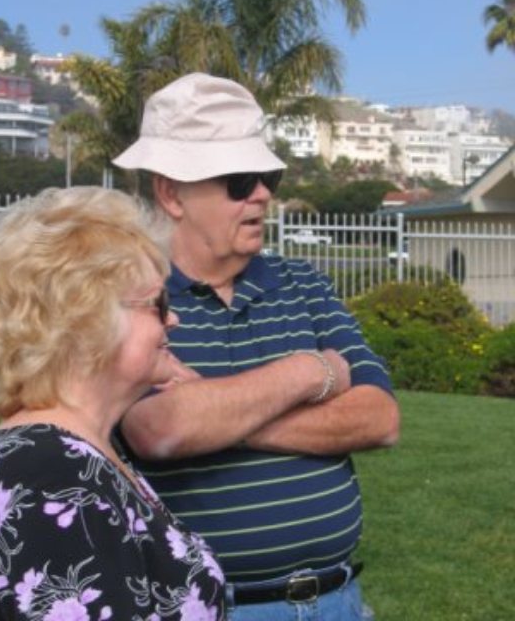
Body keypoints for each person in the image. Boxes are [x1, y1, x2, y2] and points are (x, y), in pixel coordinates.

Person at [113, 73, 400, 621]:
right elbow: (158, 428)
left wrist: (218, 414)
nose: (263, 194)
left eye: (266, 177)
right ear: (171, 193)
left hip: (337, 602)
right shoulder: (134, 300)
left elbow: (380, 418)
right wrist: (308, 372)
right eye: (239, 180)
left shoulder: (304, 285)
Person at [0, 186, 226, 621]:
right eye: (158, 303)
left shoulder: (72, 454)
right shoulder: (51, 479)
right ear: (89, 318)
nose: (173, 319)